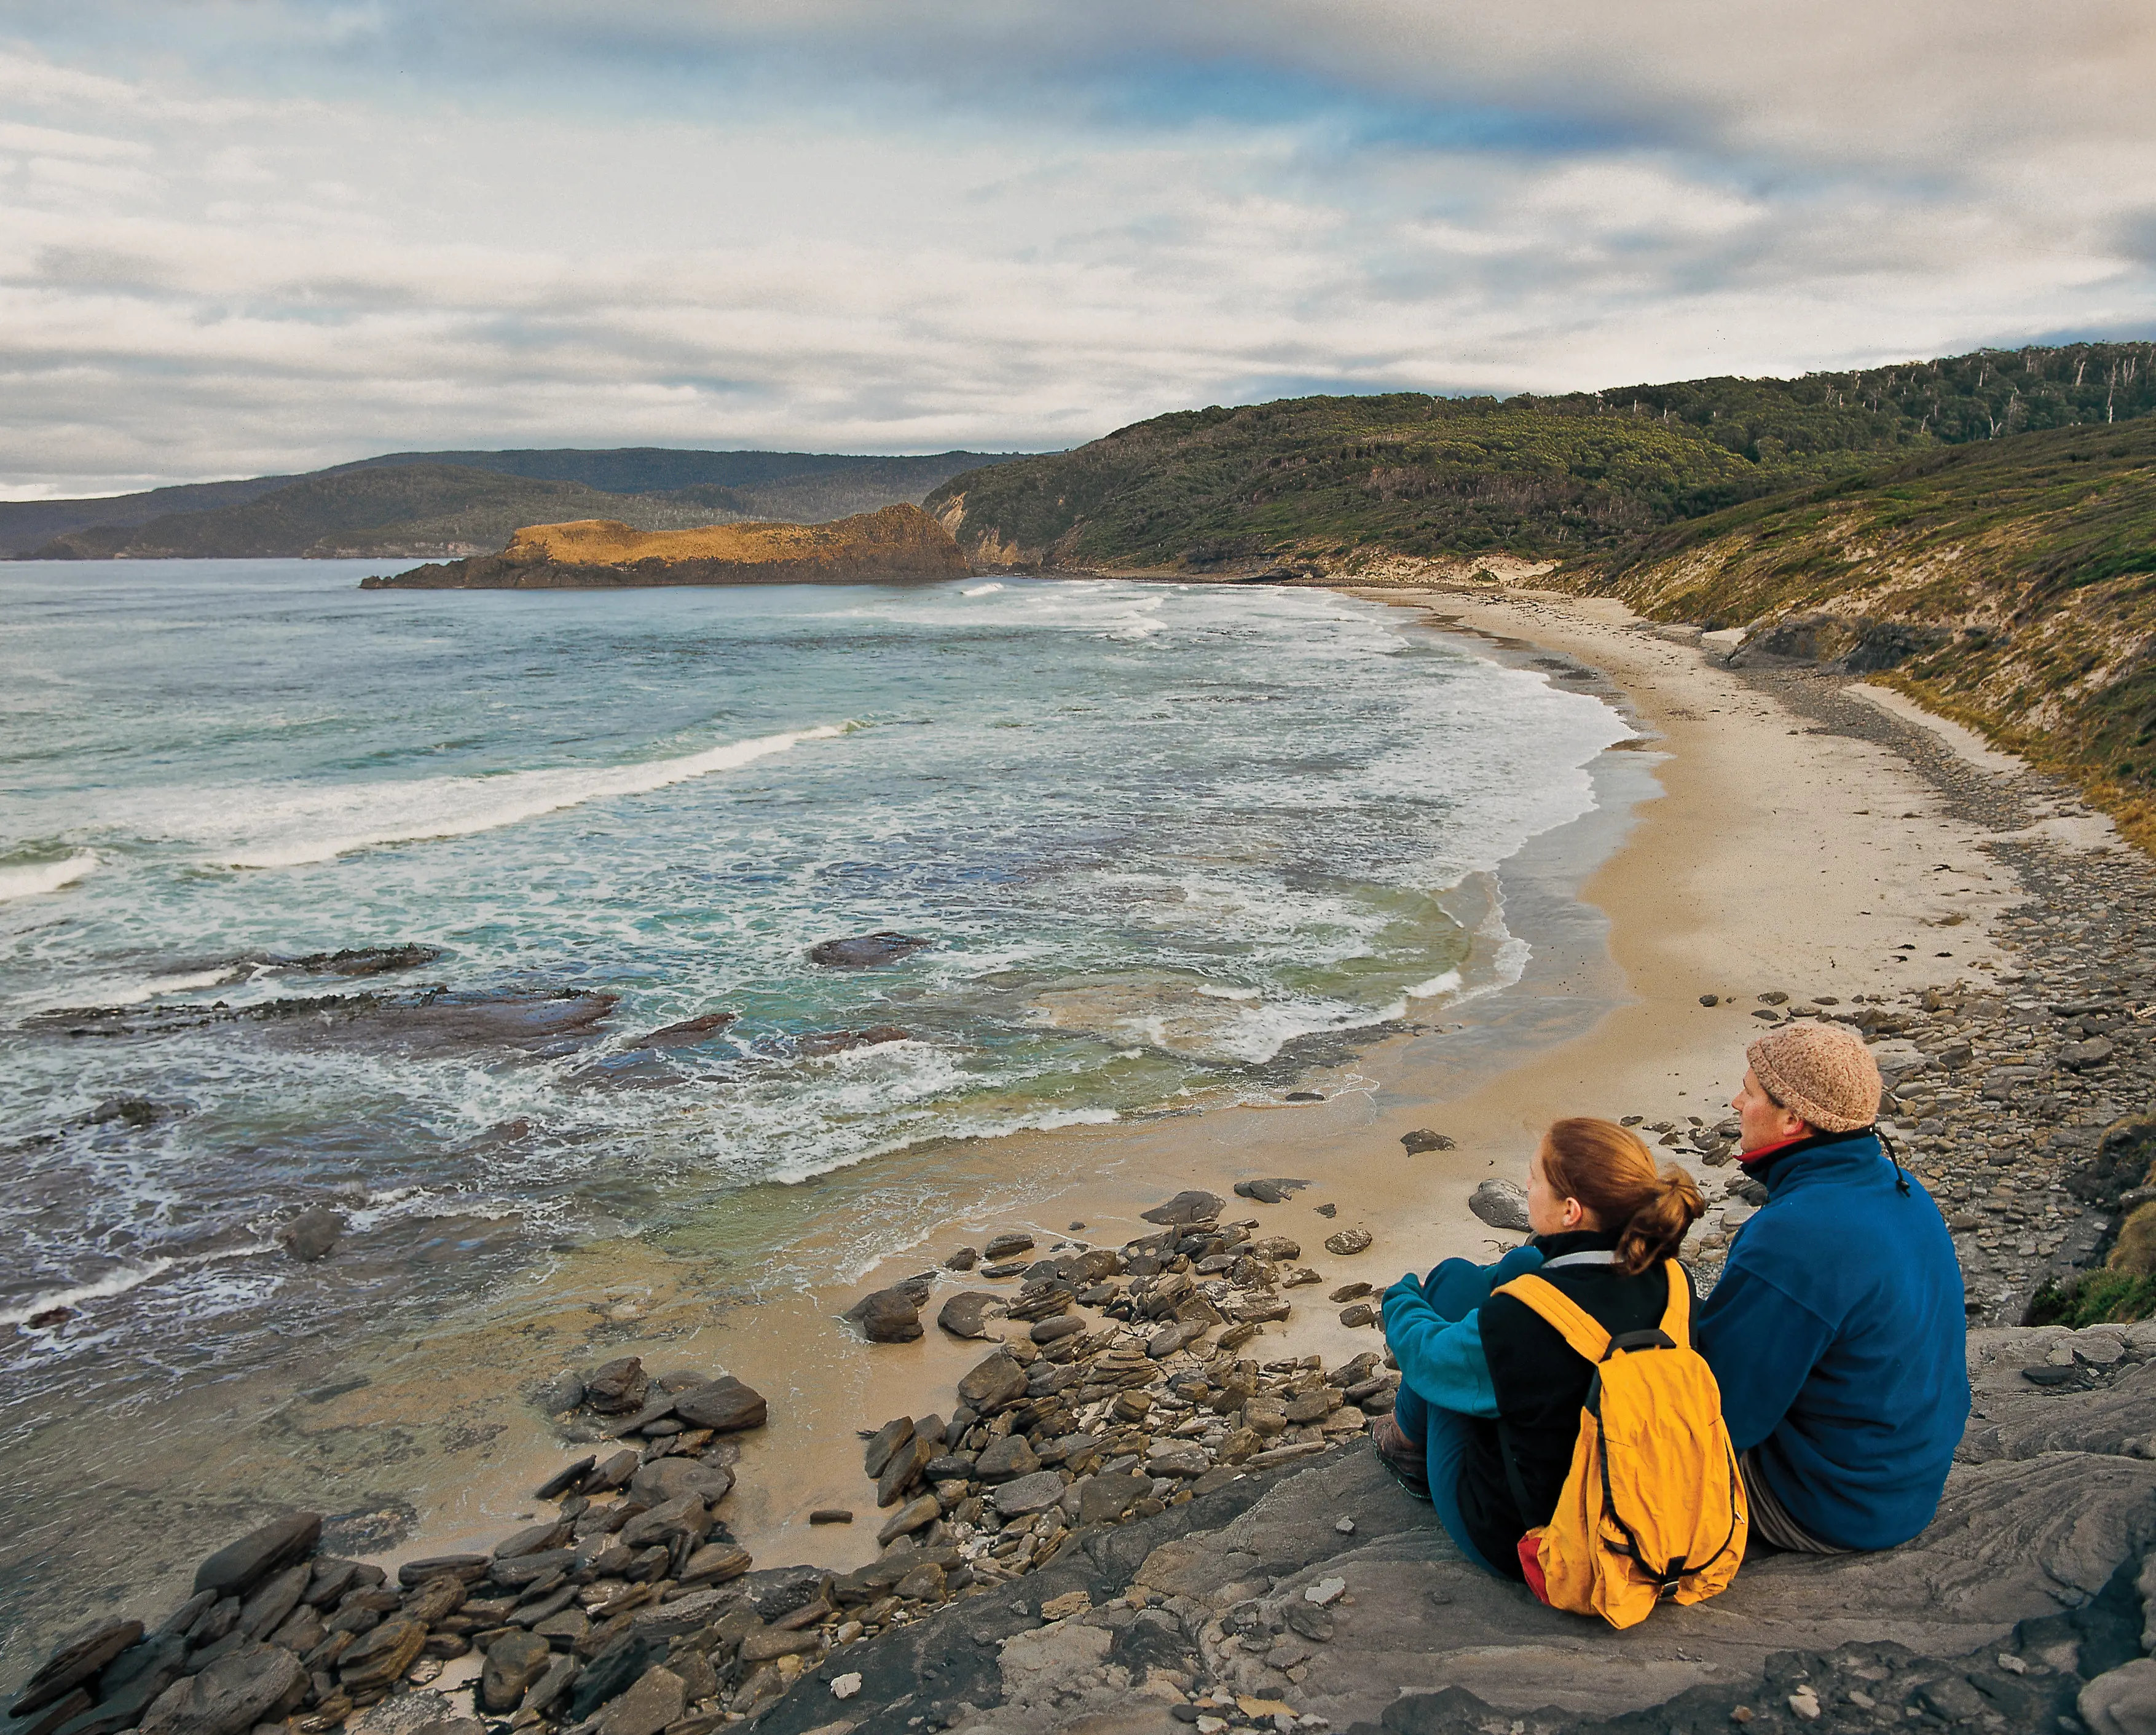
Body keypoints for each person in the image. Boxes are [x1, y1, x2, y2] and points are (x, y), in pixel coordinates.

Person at [1375, 1117, 1706, 1578]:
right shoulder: (1674, 1279)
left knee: (1453, 1280)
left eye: (1535, 1177)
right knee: (1524, 1260)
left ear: (1571, 1211)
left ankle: (1406, 1446)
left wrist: (1402, 1297)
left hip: (1530, 1537)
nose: (1526, 1184)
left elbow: (1429, 1357)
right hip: (1643, 1509)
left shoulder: (1524, 1320)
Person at [1697, 1019, 1967, 1554]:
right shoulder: (1901, 1187)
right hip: (1903, 1482)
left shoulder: (1794, 1239)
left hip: (1830, 1505)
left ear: (1793, 1120)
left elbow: (1720, 1417)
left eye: (1750, 1092)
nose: (1734, 1102)